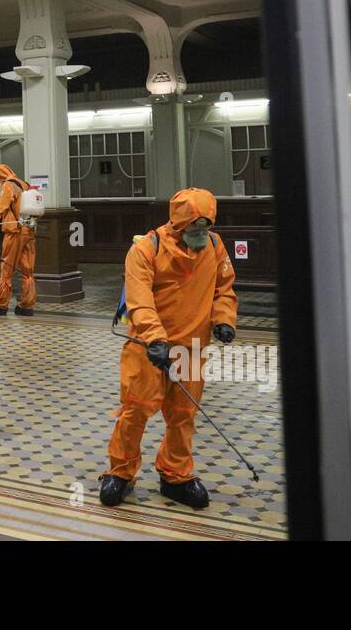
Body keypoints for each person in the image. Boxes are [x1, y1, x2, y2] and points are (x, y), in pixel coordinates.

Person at [100, 187, 238, 509]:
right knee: (135, 411)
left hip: (191, 348)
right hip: (149, 349)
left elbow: (224, 288)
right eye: (195, 228)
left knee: (183, 414)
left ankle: (176, 475)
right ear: (178, 224)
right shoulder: (146, 250)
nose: (202, 233)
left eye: (207, 227)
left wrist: (224, 319)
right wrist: (156, 339)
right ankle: (121, 472)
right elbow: (139, 299)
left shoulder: (215, 247)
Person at [0, 164, 37, 317]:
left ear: (0, 176)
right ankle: (27, 305)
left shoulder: (8, 185)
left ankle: (1, 304)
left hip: (14, 232)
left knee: (7, 268)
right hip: (29, 231)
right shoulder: (24, 184)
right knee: (27, 270)